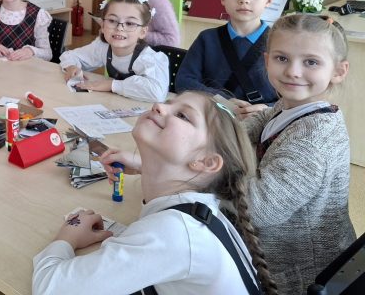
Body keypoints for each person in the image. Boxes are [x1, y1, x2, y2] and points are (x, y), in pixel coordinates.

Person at [32, 91, 276, 295]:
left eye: (182, 115)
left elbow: (50, 288)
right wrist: (146, 165)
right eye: (168, 103)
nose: (159, 106)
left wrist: (67, 237)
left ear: (206, 162)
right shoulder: (199, 207)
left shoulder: (174, 232)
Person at [242, 14, 355, 294]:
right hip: (284, 257)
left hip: (299, 274)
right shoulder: (295, 104)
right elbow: (264, 119)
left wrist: (204, 168)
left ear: (338, 71)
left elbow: (259, 207)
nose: (293, 71)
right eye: (282, 58)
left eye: (311, 62)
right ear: (267, 60)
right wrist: (221, 137)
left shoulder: (313, 138)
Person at [176, 0, 277, 118]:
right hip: (213, 119)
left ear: (269, 0)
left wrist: (268, 109)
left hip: (261, 123)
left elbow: (294, 94)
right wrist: (221, 100)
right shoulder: (207, 39)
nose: (244, 0)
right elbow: (184, 80)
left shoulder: (279, 44)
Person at [60, 0, 168, 103]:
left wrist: (111, 85)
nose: (119, 28)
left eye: (129, 23)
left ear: (143, 32)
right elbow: (70, 56)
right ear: (102, 25)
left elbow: (157, 92)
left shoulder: (149, 59)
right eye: (112, 21)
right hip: (115, 104)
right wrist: (71, 66)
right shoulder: (103, 47)